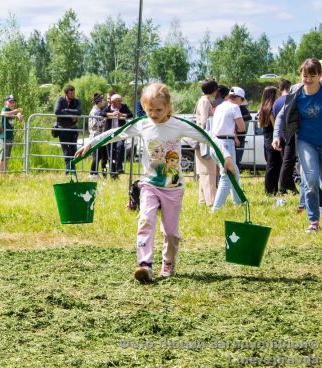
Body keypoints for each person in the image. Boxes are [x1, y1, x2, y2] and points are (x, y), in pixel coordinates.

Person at [75, 83, 234, 283]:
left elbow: (208, 137)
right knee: (145, 221)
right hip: (149, 184)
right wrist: (91, 143)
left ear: (168, 107)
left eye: (159, 110)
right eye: (150, 110)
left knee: (171, 233)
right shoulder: (142, 124)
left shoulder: (178, 125)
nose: (154, 114)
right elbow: (115, 134)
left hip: (173, 188)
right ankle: (145, 265)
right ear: (144, 106)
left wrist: (226, 157)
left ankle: (168, 262)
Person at [273, 59, 322, 233]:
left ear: (320, 76)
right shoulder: (295, 92)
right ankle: (313, 220)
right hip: (306, 141)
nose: (307, 79)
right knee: (311, 180)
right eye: (304, 75)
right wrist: (277, 136)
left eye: (312, 75)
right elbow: (281, 116)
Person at [210, 86, 247, 212]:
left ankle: (239, 201)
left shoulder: (220, 106)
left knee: (234, 173)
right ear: (238, 98)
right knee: (227, 176)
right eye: (241, 100)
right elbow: (242, 127)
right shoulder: (235, 107)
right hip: (226, 143)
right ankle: (216, 209)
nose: (241, 103)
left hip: (215, 142)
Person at [193, 79, 219, 207]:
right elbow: (203, 121)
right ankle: (211, 202)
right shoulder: (204, 101)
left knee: (204, 171)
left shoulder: (203, 100)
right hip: (205, 141)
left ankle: (203, 200)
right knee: (209, 172)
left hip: (202, 140)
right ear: (214, 90)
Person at [273, 79, 298, 195]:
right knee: (288, 162)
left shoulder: (276, 102)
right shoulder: (292, 98)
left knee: (286, 161)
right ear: (289, 87)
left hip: (281, 134)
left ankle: (290, 187)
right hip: (292, 133)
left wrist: (277, 134)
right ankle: (282, 187)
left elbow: (275, 118)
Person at [257, 86, 280, 196]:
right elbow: (276, 126)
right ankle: (271, 190)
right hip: (272, 137)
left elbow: (260, 124)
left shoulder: (262, 108)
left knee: (270, 164)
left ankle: (271, 189)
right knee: (273, 165)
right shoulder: (271, 109)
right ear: (272, 95)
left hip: (266, 136)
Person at [104, 94, 133, 177]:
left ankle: (119, 167)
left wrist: (122, 115)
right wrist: (112, 114)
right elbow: (102, 113)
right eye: (119, 101)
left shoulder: (123, 107)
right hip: (109, 133)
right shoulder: (108, 107)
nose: (121, 102)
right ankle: (113, 175)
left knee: (120, 147)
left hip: (120, 132)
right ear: (113, 102)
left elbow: (130, 114)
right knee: (111, 153)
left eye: (121, 100)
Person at [54, 85, 82, 174]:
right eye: (71, 93)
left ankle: (71, 170)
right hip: (62, 129)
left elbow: (79, 112)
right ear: (66, 93)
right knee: (66, 150)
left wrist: (64, 110)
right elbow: (57, 111)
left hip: (73, 129)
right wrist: (70, 115)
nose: (73, 94)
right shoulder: (60, 99)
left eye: (74, 92)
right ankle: (69, 171)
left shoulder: (77, 101)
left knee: (73, 150)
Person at [0, 95, 23, 173]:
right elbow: (3, 113)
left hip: (10, 136)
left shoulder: (11, 111)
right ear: (6, 102)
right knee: (3, 156)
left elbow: (20, 118)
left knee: (7, 156)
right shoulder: (5, 109)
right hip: (4, 136)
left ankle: (4, 173)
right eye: (10, 102)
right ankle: (1, 173)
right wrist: (16, 111)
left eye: (13, 102)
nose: (12, 103)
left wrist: (18, 114)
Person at [88, 93, 108, 177]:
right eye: (103, 100)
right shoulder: (95, 111)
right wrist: (104, 120)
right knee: (97, 156)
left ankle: (96, 173)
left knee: (100, 156)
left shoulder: (99, 111)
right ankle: (93, 173)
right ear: (99, 102)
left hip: (100, 136)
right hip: (95, 136)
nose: (104, 102)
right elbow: (94, 124)